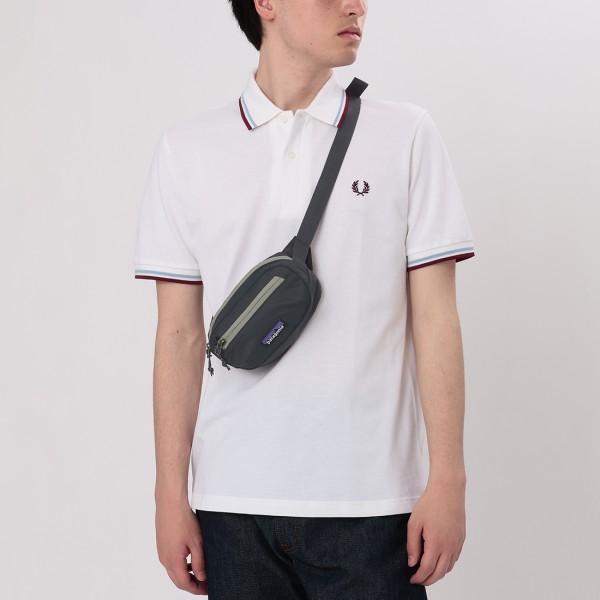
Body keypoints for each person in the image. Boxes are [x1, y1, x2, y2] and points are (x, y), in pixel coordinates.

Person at [133, 0, 475, 597]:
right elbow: (179, 335)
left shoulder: (406, 134)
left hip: (372, 502)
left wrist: (448, 478)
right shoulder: (186, 149)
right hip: (232, 504)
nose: (356, 6)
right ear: (266, 4)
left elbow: (436, 317)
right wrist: (170, 494)